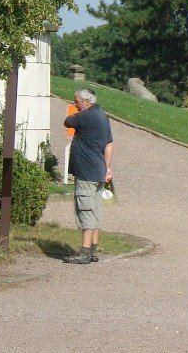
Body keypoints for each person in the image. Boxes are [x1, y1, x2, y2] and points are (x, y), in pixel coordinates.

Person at [63, 88, 115, 264]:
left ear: (86, 102)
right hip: (99, 170)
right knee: (96, 209)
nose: (74, 104)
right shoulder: (102, 116)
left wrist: (77, 112)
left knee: (85, 209)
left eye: (76, 101)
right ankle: (92, 248)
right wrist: (107, 168)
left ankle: (84, 252)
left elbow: (67, 121)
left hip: (86, 171)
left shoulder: (85, 116)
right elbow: (109, 145)